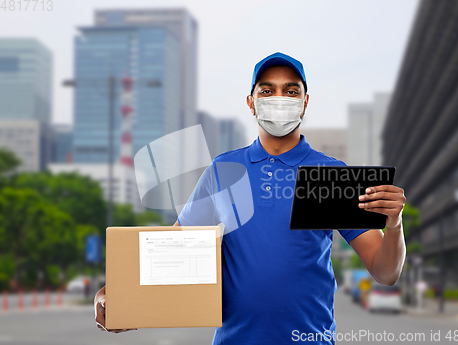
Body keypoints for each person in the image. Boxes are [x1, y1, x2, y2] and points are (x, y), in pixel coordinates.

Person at [94, 52, 407, 344]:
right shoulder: (223, 171)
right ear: (251, 102)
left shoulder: (331, 174)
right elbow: (169, 256)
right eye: (267, 91)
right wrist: (117, 298)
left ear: (305, 102)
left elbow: (385, 271)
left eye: (291, 91)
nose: (279, 99)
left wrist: (394, 225)